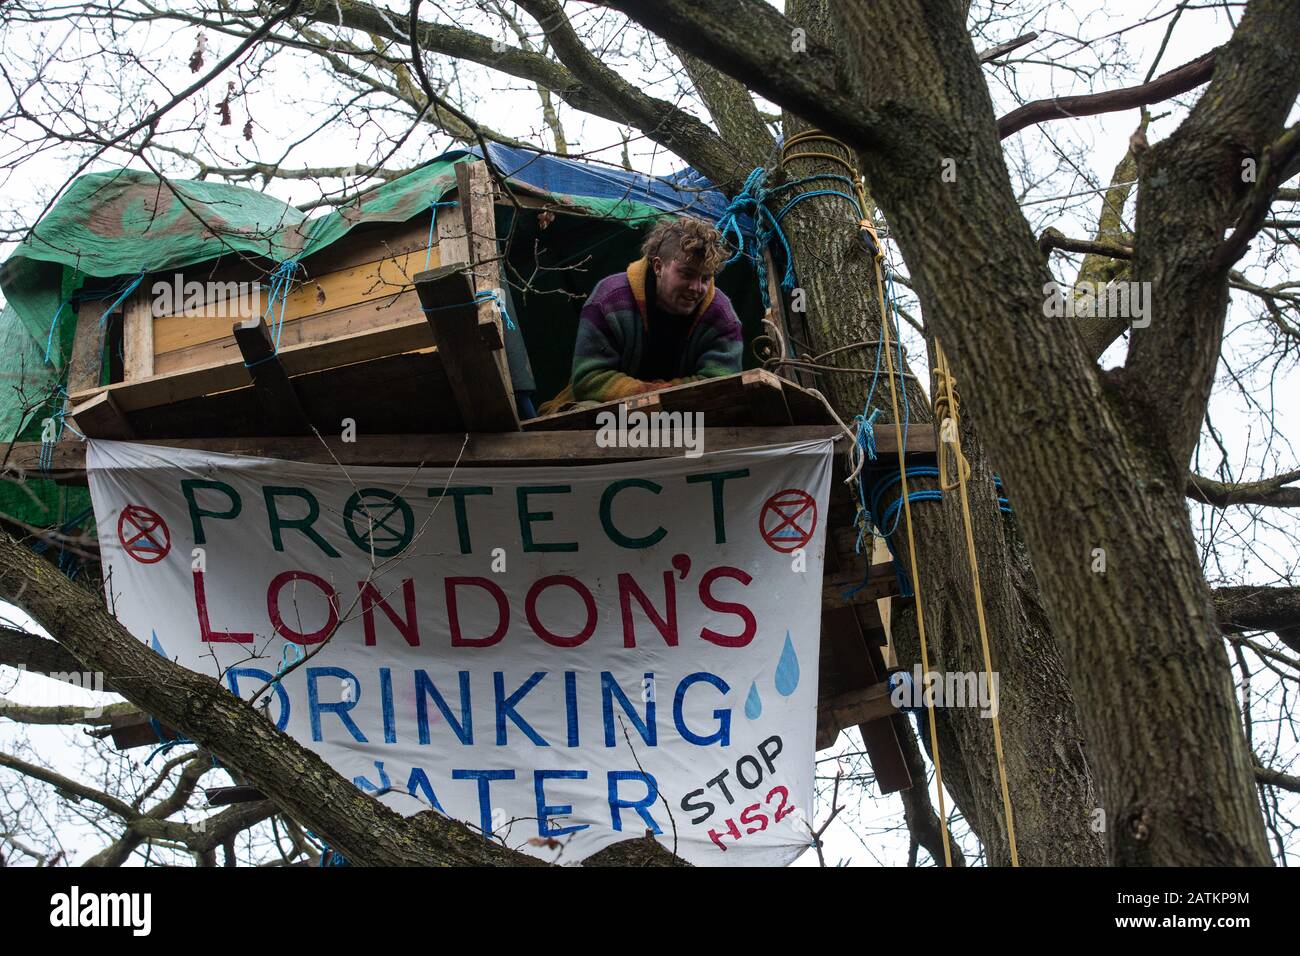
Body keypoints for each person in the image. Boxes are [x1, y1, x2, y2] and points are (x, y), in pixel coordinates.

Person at [539, 217, 743, 413]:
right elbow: (589, 379)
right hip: (607, 411)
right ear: (658, 266)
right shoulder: (608, 300)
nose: (696, 288)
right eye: (686, 274)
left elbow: (721, 383)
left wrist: (661, 400)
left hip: (687, 414)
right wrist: (656, 398)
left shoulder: (722, 316)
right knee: (592, 413)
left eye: (706, 278)